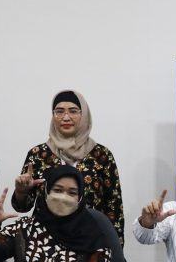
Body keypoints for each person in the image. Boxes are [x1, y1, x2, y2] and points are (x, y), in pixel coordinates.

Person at [11, 91, 124, 245]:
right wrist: (21, 192)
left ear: (83, 115)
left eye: (73, 111)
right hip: (44, 243)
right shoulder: (38, 154)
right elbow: (22, 207)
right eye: (59, 111)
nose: (65, 117)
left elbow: (114, 208)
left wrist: (115, 249)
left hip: (89, 241)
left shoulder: (102, 156)